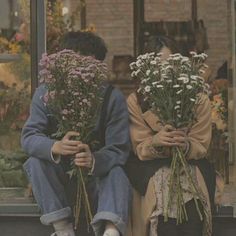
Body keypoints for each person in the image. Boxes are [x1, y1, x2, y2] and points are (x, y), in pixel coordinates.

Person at [21, 31, 132, 236]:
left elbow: (120, 149)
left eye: (88, 58)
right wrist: (55, 146)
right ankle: (62, 228)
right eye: (74, 57)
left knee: (117, 172)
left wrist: (94, 159)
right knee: (34, 163)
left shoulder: (112, 97)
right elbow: (28, 137)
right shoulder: (46, 93)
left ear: (98, 64)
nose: (80, 65)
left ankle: (110, 228)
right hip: (59, 175)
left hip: (96, 176)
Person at [125, 36, 216, 236]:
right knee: (164, 207)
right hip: (151, 165)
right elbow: (139, 144)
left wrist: (185, 144)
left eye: (170, 64)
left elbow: (201, 143)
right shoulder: (137, 101)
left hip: (191, 162)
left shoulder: (198, 98)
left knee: (193, 207)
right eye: (158, 66)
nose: (165, 72)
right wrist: (156, 141)